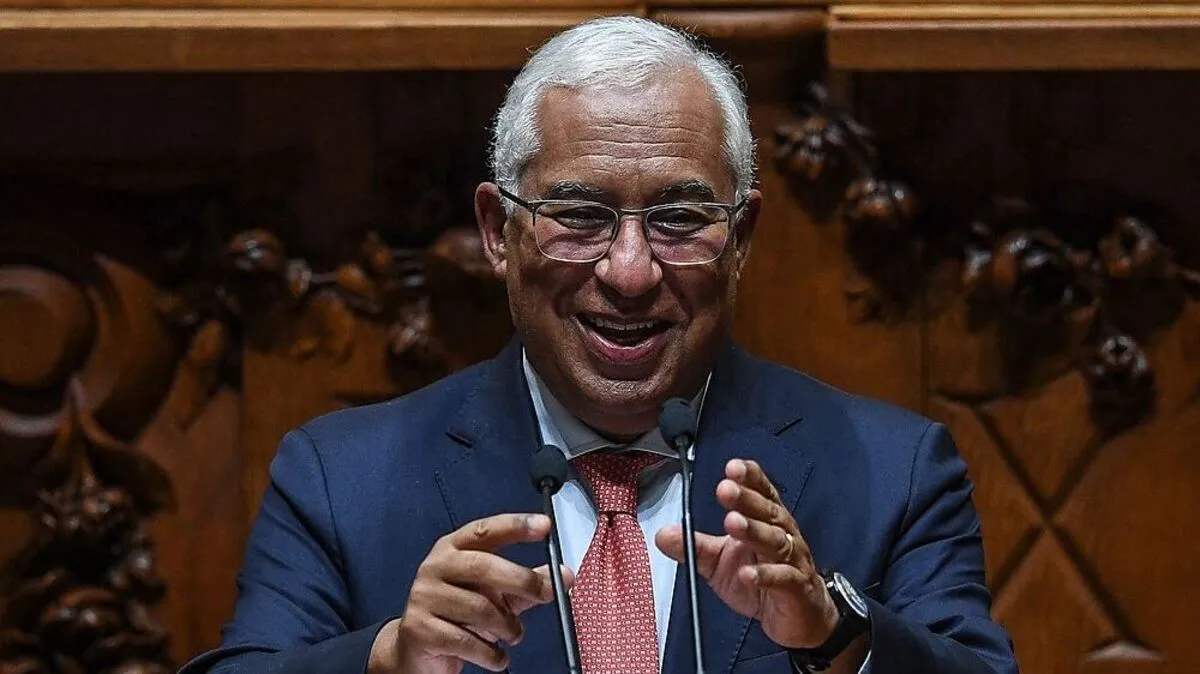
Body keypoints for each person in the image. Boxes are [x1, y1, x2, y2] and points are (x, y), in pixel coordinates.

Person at [181, 15, 1018, 674]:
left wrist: (837, 637)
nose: (629, 271)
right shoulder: (340, 479)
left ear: (741, 238)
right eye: (579, 216)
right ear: (498, 232)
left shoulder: (895, 473)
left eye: (680, 219)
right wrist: (387, 658)